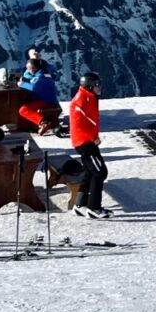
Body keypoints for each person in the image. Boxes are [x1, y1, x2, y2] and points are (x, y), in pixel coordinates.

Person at [69, 71, 109, 218]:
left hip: (86, 141)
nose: (100, 88)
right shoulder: (81, 101)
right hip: (85, 143)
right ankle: (94, 208)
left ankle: (80, 205)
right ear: (90, 86)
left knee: (89, 171)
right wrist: (93, 138)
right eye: (97, 85)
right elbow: (81, 124)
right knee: (100, 172)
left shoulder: (89, 97)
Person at [17, 56, 60, 134]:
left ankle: (43, 122)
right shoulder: (43, 73)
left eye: (29, 69)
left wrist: (21, 84)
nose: (28, 71)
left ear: (33, 69)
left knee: (23, 110)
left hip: (46, 101)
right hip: (49, 98)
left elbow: (33, 87)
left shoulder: (40, 77)